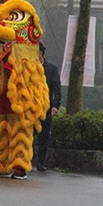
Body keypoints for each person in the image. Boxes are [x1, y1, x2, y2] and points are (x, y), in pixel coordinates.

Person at [37, 43, 61, 171]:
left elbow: (56, 88)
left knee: (44, 135)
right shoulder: (29, 67)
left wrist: (55, 105)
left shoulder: (51, 69)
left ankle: (41, 162)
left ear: (41, 53)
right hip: (31, 106)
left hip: (45, 106)